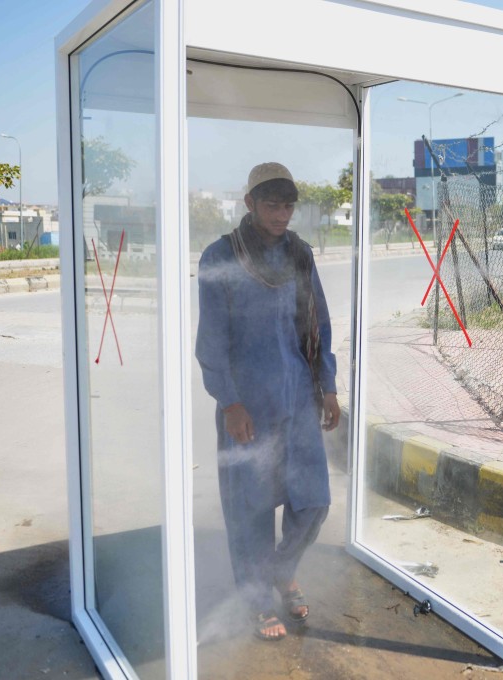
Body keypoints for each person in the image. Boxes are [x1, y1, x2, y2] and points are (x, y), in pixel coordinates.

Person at [195, 162, 340, 641]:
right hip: (248, 406)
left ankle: (280, 570)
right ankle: (258, 598)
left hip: (298, 396)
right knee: (252, 509)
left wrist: (329, 386)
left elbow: (318, 322)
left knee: (313, 501)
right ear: (250, 204)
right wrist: (230, 402)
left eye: (288, 204)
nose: (282, 213)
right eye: (272, 203)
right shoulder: (221, 255)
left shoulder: (300, 255)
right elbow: (212, 340)